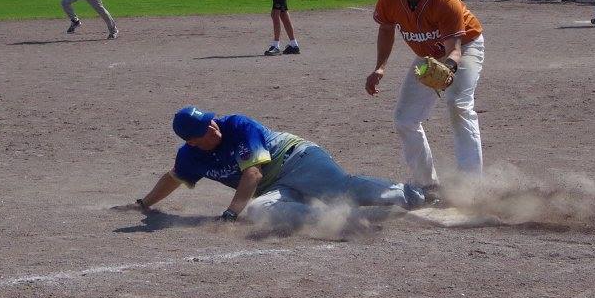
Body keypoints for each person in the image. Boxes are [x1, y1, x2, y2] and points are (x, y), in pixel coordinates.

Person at [125, 106, 428, 228]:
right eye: (205, 129)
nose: (213, 127)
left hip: (298, 158)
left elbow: (253, 173)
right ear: (191, 141)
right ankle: (337, 220)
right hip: (276, 187)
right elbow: (174, 177)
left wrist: (230, 213)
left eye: (210, 121)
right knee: (259, 211)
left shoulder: (238, 125)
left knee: (341, 189)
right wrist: (143, 204)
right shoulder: (190, 157)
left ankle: (417, 195)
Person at [365, 0, 485, 192]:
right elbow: (386, 28)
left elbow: (454, 50)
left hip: (465, 45)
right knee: (405, 119)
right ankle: (427, 186)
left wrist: (448, 68)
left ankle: (471, 188)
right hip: (428, 54)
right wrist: (380, 67)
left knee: (458, 104)